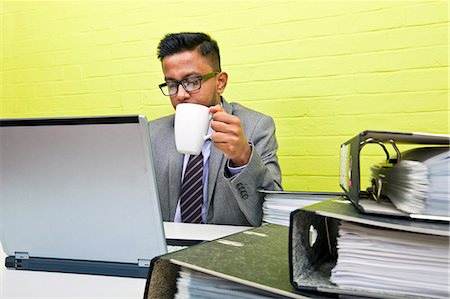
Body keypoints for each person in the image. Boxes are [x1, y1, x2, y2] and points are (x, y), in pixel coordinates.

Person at [149, 32, 282, 226]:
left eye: (192, 81)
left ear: (220, 82)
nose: (181, 94)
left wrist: (243, 158)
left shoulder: (255, 127)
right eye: (171, 85)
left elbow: (270, 217)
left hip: (227, 251)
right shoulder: (153, 133)